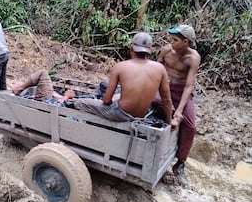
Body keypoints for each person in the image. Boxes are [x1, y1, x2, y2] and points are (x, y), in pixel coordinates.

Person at [73, 32, 174, 125]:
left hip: (120, 114)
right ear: (149, 51)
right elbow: (167, 100)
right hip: (141, 116)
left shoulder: (120, 66)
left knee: (80, 103)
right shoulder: (160, 69)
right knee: (118, 95)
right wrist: (169, 123)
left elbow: (106, 101)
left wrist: (107, 102)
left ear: (131, 49)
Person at [157, 24, 200, 185]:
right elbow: (156, 68)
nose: (172, 42)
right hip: (162, 88)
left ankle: (180, 163)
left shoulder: (193, 58)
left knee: (190, 125)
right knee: (144, 108)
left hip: (180, 92)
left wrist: (179, 111)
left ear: (186, 42)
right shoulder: (166, 50)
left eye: (175, 40)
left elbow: (189, 86)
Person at [8, 69, 75, 104]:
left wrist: (66, 97)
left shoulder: (81, 105)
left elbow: (57, 105)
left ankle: (19, 89)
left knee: (43, 73)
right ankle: (19, 87)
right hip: (53, 100)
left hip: (46, 103)